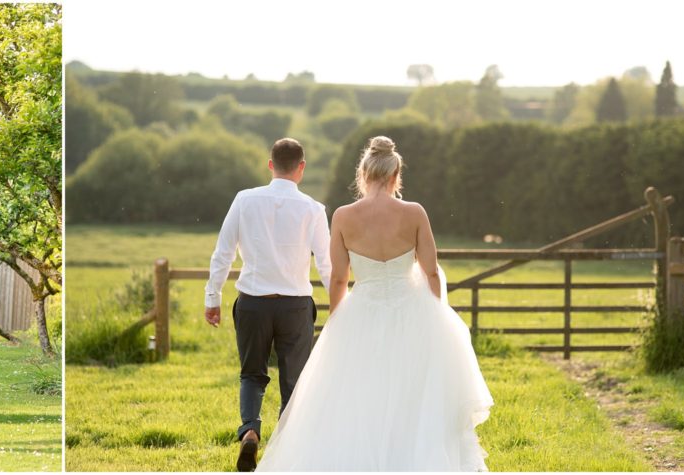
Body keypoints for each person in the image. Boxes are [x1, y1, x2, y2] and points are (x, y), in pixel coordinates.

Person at [255, 136, 494, 471]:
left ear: (363, 175)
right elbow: (431, 272)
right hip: (412, 309)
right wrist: (435, 314)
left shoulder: (342, 215)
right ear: (395, 175)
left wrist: (337, 320)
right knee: (414, 394)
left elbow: (339, 278)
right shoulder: (414, 213)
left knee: (357, 394)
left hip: (361, 308)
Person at [204, 137, 332, 472]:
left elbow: (223, 252)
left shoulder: (244, 200)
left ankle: (250, 430)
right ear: (301, 168)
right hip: (295, 306)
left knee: (252, 374)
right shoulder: (314, 209)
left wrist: (212, 298)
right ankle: (285, 452)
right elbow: (327, 263)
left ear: (270, 164)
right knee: (294, 381)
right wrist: (340, 303)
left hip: (253, 303)